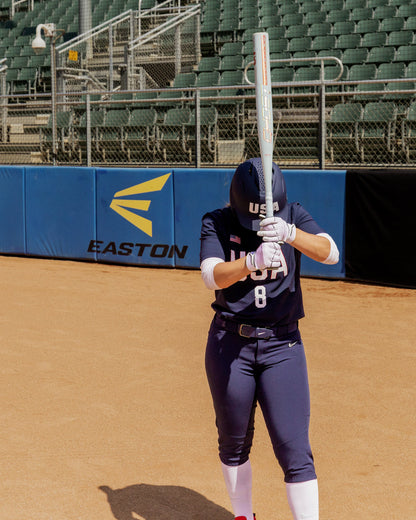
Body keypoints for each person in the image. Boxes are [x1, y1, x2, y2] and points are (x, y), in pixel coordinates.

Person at [199, 158, 339, 520]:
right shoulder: (217, 220)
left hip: (282, 346)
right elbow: (211, 276)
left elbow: (330, 252)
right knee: (233, 441)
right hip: (231, 345)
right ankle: (243, 517)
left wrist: (291, 233)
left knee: (295, 449)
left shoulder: (292, 212)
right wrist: (250, 261)